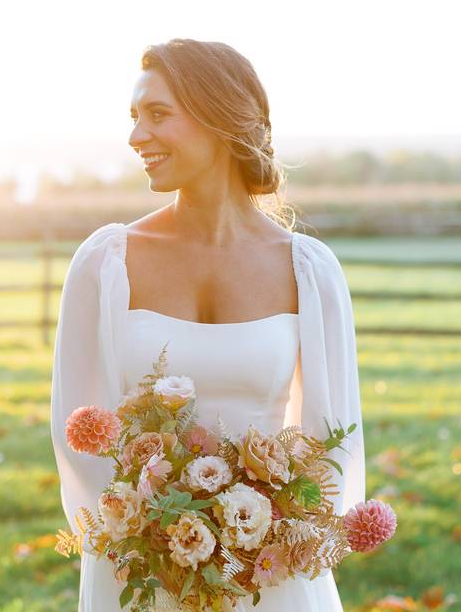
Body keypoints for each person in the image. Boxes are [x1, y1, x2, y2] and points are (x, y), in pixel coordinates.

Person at [50, 38, 365, 611]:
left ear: (219, 119)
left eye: (157, 114)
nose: (135, 136)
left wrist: (267, 541)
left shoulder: (309, 271)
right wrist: (149, 539)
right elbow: (77, 434)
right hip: (139, 573)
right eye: (133, 117)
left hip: (271, 572)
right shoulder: (105, 263)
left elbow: (332, 443)